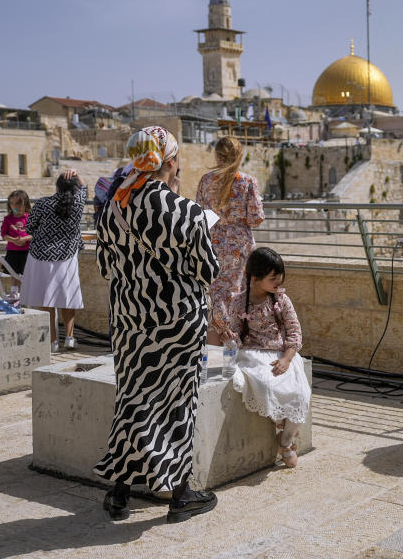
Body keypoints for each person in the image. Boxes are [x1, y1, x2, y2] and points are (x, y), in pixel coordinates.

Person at [93, 126, 220, 523]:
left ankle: (118, 494)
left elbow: (105, 267)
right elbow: (208, 270)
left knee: (133, 399)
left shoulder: (114, 204)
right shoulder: (186, 211)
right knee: (177, 404)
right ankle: (180, 494)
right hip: (177, 322)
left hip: (130, 321)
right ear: (170, 161)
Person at [230, 247, 309, 468]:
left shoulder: (282, 300)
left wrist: (287, 358)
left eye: (280, 278)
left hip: (281, 354)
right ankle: (283, 429)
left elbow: (295, 332)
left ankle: (286, 440)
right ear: (255, 277)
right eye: (273, 278)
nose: (278, 283)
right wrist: (230, 337)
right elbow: (235, 334)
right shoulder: (238, 302)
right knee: (265, 386)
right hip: (253, 355)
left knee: (300, 392)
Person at [196, 136, 264, 344]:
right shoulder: (247, 181)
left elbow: (199, 213)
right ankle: (237, 338)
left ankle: (220, 335)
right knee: (239, 291)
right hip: (240, 247)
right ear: (239, 156)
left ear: (217, 156)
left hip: (214, 243)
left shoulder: (206, 181)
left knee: (217, 291)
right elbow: (256, 218)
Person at [20, 170, 86, 352]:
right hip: (67, 256)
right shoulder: (78, 203)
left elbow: (30, 226)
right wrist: (77, 176)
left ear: (56, 187)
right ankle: (70, 338)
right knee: (67, 297)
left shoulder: (42, 203)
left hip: (41, 256)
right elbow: (85, 188)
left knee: (46, 299)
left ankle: (53, 341)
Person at [1, 190, 32, 284]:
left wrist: (25, 239)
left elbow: (34, 234)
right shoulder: (8, 219)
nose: (15, 206)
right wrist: (14, 240)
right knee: (13, 275)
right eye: (12, 203)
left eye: (18, 203)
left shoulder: (29, 218)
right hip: (12, 252)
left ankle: (26, 294)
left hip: (27, 252)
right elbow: (4, 235)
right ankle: (14, 293)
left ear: (25, 204)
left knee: (27, 275)